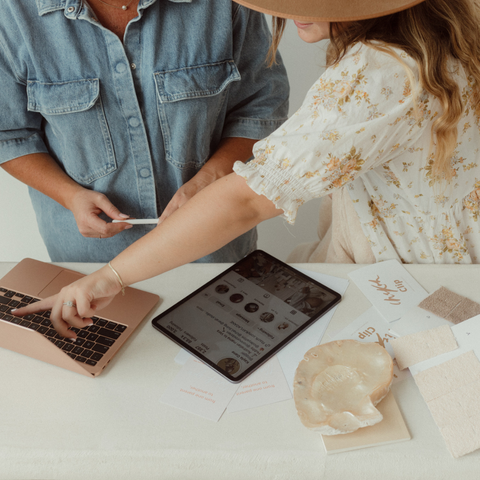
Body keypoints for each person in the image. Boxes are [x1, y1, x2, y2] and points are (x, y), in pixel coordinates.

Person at [13, 0, 480, 340]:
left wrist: (108, 279)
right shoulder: (447, 36)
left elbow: (246, 200)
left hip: (412, 291)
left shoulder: (378, 74)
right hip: (448, 269)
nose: (284, 11)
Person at [0, 0, 289, 263]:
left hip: (213, 253)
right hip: (88, 262)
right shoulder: (11, 13)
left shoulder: (225, 5)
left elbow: (261, 109)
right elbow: (10, 135)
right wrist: (70, 196)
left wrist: (208, 181)